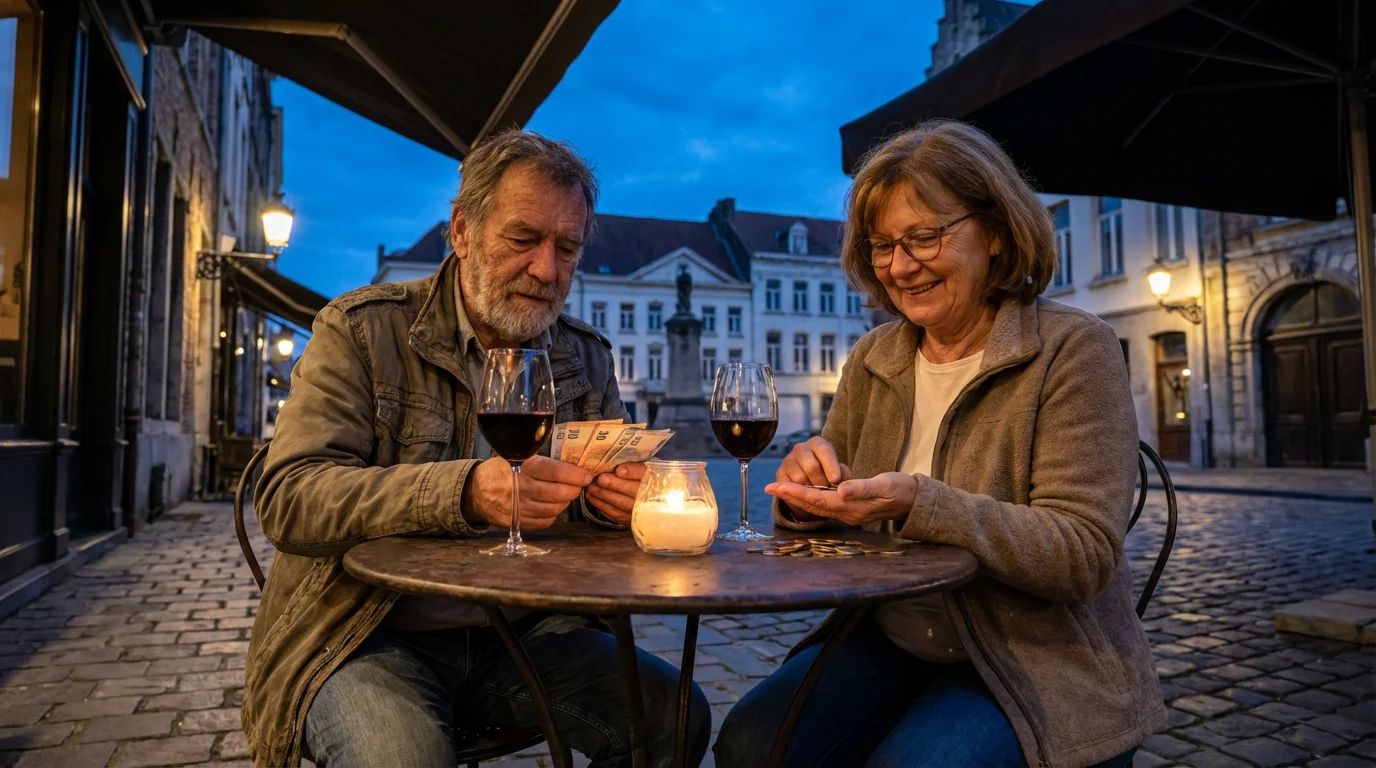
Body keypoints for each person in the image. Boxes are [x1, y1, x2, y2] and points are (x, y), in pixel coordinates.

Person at [243, 129, 710, 767]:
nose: (546, 270)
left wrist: (620, 503)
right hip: (365, 633)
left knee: (673, 716)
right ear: (462, 230)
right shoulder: (362, 329)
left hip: (529, 630)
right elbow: (289, 498)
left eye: (566, 248)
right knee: (402, 758)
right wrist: (464, 491)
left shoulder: (584, 357)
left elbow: (607, 510)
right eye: (523, 239)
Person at [715, 120, 1166, 768]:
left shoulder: (1073, 348)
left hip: (1034, 656)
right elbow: (826, 513)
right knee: (751, 741)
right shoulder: (875, 355)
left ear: (998, 230)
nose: (900, 267)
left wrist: (919, 502)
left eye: (924, 237)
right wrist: (804, 492)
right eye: (882, 246)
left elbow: (1083, 555)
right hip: (887, 634)